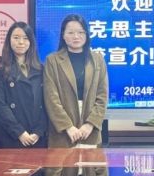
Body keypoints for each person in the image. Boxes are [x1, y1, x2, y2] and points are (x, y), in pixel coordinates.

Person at [43, 14, 108, 148]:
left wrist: (90, 124)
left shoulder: (98, 60)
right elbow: (51, 97)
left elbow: (102, 95)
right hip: (62, 132)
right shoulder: (52, 60)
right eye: (71, 33)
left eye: (80, 32)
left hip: (90, 130)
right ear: (63, 35)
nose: (76, 36)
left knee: (91, 162)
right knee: (61, 161)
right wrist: (67, 126)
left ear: (86, 34)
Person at [0, 21, 48, 149]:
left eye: (25, 38)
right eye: (16, 38)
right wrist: (19, 132)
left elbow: (46, 104)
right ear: (9, 40)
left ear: (31, 42)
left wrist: (39, 131)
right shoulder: (0, 69)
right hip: (10, 136)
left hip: (37, 137)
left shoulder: (41, 69)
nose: (21, 42)